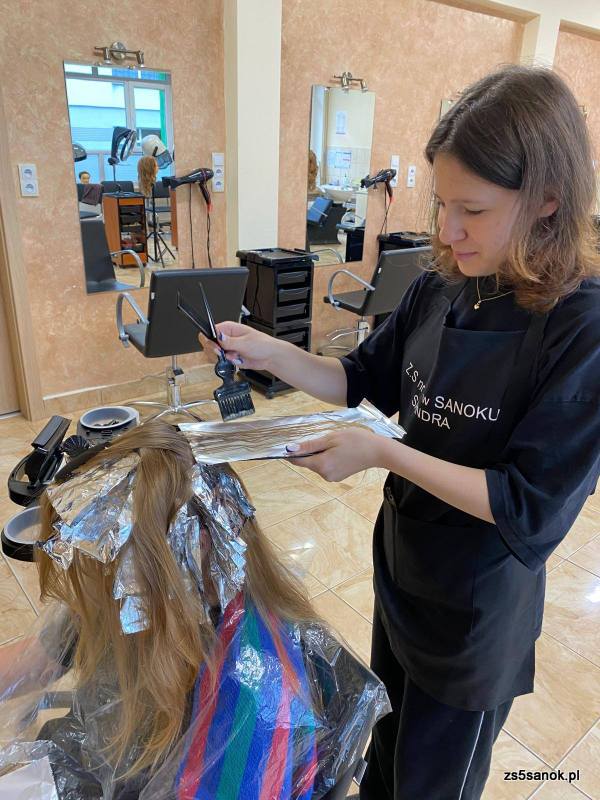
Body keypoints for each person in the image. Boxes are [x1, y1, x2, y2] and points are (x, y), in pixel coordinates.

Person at [211, 65, 600, 799]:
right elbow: (362, 379)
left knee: (430, 784)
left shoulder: (582, 328)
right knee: (381, 762)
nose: (448, 232)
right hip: (404, 573)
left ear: (548, 200)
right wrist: (270, 353)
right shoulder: (443, 283)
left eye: (473, 210)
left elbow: (527, 505)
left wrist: (385, 453)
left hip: (475, 615)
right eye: (442, 204)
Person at [0, 421, 389, 800]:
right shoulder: (126, 596)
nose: (99, 578)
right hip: (100, 763)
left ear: (194, 545)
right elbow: (35, 661)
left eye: (108, 555)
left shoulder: (250, 696)